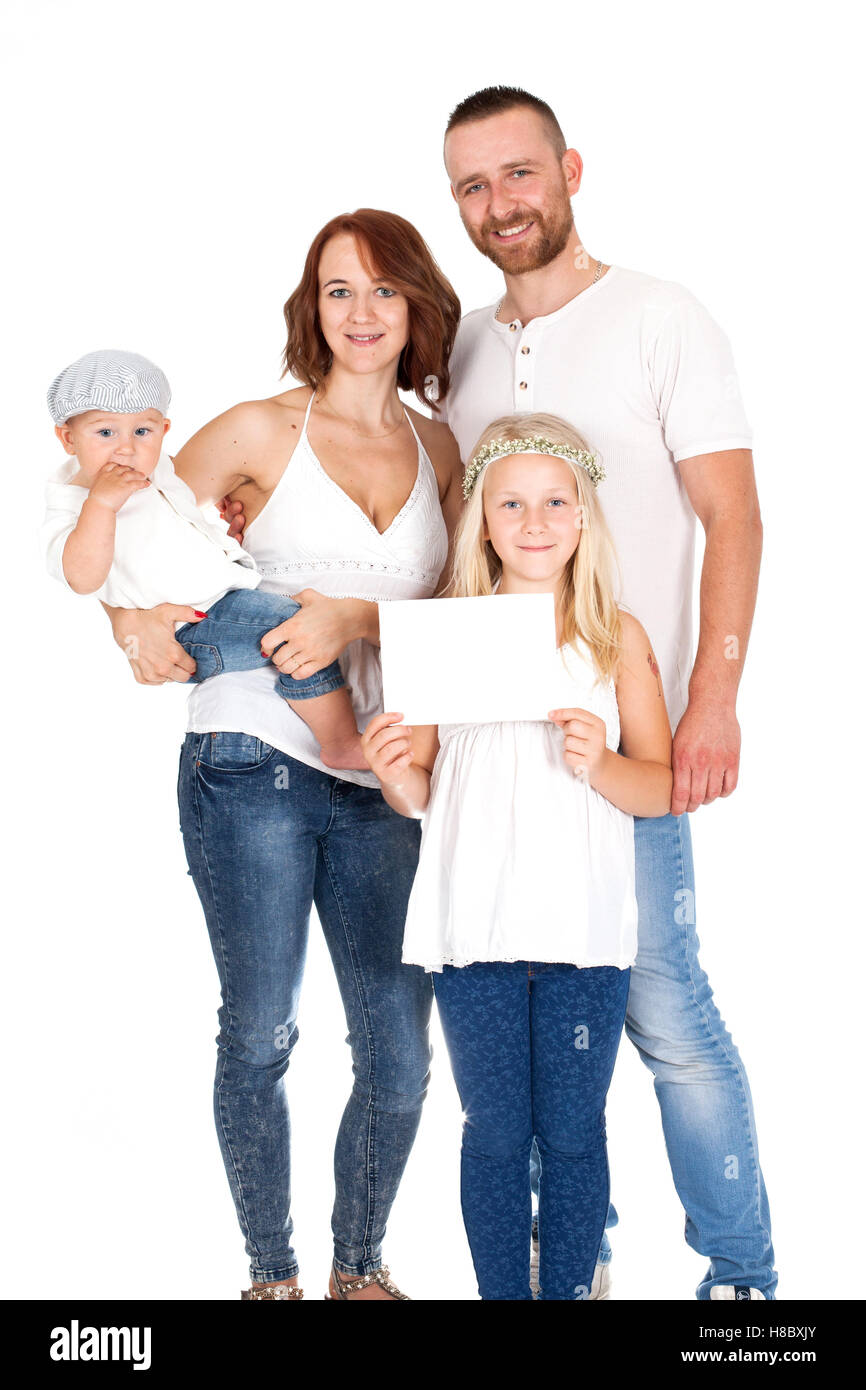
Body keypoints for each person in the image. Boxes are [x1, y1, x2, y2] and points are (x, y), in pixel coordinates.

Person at [438, 85, 775, 1300]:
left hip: (628, 728)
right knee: (533, 1044)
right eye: (472, 186)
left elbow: (728, 514)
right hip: (493, 773)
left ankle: (738, 1278)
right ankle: (575, 1261)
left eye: (517, 174)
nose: (499, 203)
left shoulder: (657, 316)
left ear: (567, 168)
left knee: (664, 1005)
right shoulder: (464, 347)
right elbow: (450, 529)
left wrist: (710, 699)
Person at [98, 210, 464, 1299]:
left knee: (398, 1061)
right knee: (259, 1031)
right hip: (247, 759)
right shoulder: (260, 429)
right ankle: (272, 1276)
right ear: (313, 306)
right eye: (338, 289)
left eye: (383, 291)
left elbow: (456, 617)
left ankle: (361, 1267)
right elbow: (123, 525)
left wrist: (356, 618)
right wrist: (128, 628)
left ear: (415, 309)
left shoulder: (440, 447)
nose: (360, 313)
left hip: (385, 777)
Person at [362, 411, 673, 1299]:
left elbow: (655, 788)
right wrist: (393, 775)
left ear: (584, 515)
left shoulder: (618, 637)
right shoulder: (445, 635)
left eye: (554, 502)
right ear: (482, 519)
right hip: (477, 925)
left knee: (575, 1129)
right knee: (494, 1130)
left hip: (581, 929)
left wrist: (603, 761)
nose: (534, 523)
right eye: (511, 504)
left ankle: (569, 1288)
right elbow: (419, 788)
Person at [42, 348, 367, 770]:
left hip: (221, 602)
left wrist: (225, 523)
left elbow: (183, 512)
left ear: (163, 429)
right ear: (68, 439)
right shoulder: (71, 505)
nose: (125, 448)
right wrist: (100, 507)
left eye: (142, 430)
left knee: (304, 625)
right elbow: (83, 578)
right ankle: (341, 742)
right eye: (105, 433)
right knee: (299, 629)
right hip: (187, 627)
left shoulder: (158, 472)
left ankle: (329, 727)